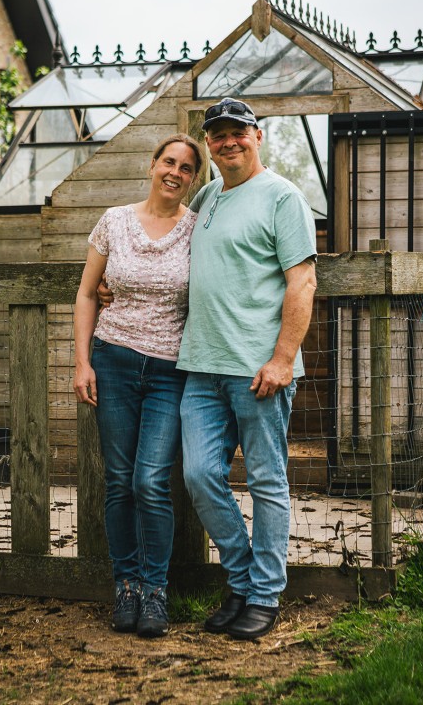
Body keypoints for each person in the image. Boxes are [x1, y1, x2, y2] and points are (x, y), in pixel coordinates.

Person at [178, 97, 317, 641]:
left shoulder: (283, 196)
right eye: (217, 135)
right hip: (200, 365)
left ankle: (263, 595)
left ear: (258, 136)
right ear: (208, 143)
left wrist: (283, 358)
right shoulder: (209, 195)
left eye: (238, 132)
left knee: (266, 481)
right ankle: (241, 580)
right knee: (198, 474)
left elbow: (302, 281)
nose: (227, 142)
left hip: (259, 369)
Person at [73, 133, 203, 638]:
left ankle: (154, 589)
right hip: (114, 361)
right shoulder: (113, 221)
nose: (175, 172)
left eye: (186, 167)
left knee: (151, 481)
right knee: (119, 480)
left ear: (194, 179)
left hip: (170, 369)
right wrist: (82, 362)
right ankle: (124, 584)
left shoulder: (197, 229)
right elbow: (87, 293)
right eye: (168, 162)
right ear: (152, 166)